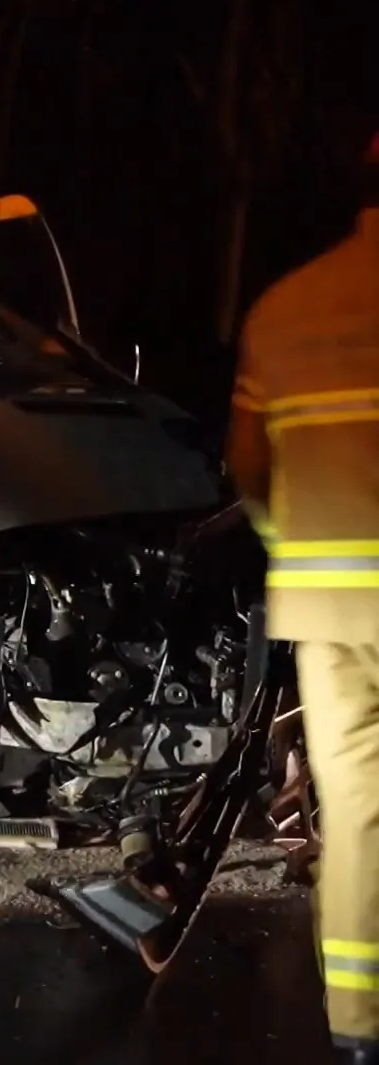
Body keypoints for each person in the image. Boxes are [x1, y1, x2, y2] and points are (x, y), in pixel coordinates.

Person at [227, 131, 379, 1065]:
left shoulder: (284, 310)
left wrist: (298, 549)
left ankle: (359, 1028)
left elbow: (248, 466)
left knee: (358, 816)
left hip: (329, 615)